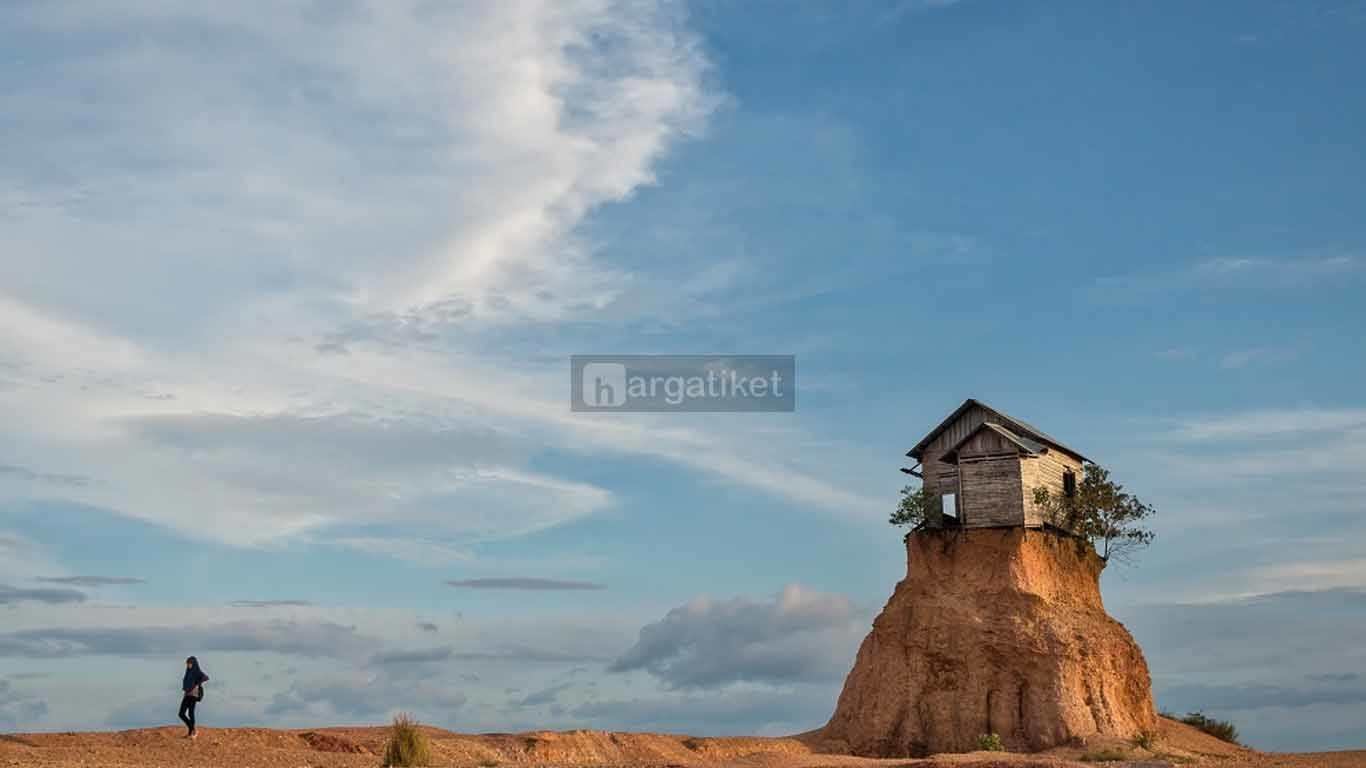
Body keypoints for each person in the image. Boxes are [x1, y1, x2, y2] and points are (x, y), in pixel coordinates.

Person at [178, 656, 209, 739]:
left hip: (194, 694)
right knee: (181, 714)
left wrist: (197, 683)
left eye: (190, 663)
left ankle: (193, 732)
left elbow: (206, 677)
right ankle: (192, 729)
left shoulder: (197, 671)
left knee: (191, 713)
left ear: (194, 663)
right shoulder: (188, 672)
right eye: (187, 663)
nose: (188, 665)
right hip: (187, 694)